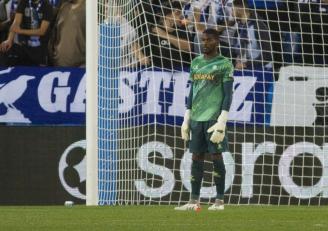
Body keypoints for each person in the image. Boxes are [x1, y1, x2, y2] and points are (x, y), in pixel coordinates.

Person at [175, 28, 234, 211]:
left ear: (216, 41)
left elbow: (228, 95)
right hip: (196, 119)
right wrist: (186, 118)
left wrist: (222, 121)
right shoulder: (196, 63)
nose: (204, 43)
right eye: (203, 40)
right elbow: (192, 91)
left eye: (208, 40)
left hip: (213, 118)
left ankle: (220, 201)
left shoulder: (224, 64)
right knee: (196, 156)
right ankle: (194, 201)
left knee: (216, 156)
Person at [0, 0, 53, 66]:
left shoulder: (47, 6)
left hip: (41, 50)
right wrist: (9, 40)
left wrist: (20, 31)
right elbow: (16, 23)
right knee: (4, 51)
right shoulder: (23, 2)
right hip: (24, 46)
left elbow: (42, 31)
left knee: (38, 72)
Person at [232, 0, 272, 69]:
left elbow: (267, 56)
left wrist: (246, 64)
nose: (231, 13)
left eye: (232, 10)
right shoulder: (239, 27)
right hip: (244, 68)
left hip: (262, 69)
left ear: (239, 10)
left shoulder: (259, 26)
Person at [48, 0, 86, 67]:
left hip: (81, 67)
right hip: (59, 64)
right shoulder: (63, 6)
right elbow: (55, 33)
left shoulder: (90, 8)